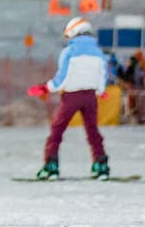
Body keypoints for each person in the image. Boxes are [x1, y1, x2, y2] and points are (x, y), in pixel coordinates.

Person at [37, 17, 110, 180]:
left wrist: (46, 88)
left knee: (57, 131)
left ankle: (51, 166)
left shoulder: (69, 52)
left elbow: (61, 78)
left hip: (71, 97)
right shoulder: (99, 53)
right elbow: (103, 75)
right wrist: (101, 90)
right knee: (93, 131)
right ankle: (101, 165)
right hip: (90, 96)